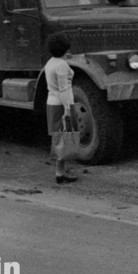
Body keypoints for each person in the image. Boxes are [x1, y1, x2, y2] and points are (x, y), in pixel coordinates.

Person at [44, 33, 78, 184]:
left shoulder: (50, 63)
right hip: (62, 103)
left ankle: (60, 171)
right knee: (65, 137)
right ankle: (60, 172)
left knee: (58, 138)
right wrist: (68, 109)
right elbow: (64, 89)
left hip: (51, 102)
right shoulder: (62, 65)